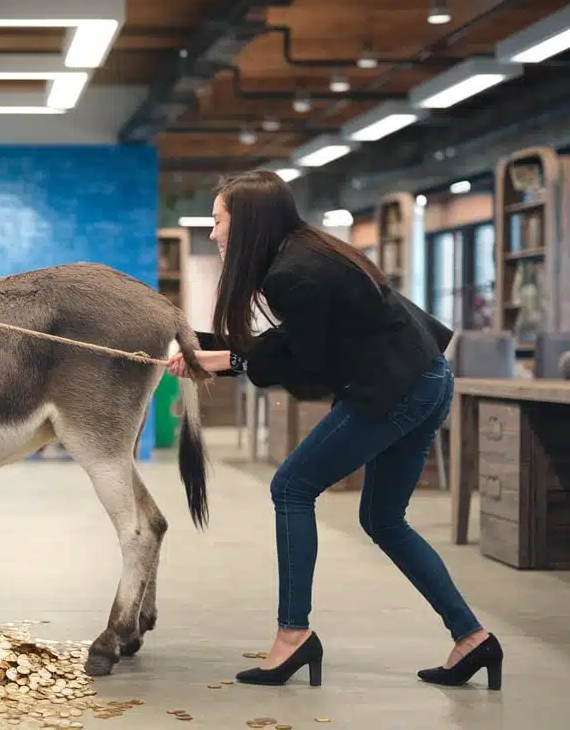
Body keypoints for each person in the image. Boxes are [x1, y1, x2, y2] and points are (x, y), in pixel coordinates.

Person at [166, 170, 502, 691]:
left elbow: (309, 362)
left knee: (291, 487)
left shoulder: (290, 272)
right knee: (384, 519)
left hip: (397, 388)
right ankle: (472, 638)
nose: (213, 233)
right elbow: (300, 339)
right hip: (427, 377)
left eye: (218, 221)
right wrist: (221, 355)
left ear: (248, 221)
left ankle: (292, 637)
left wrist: (228, 361)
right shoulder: (306, 251)